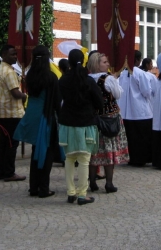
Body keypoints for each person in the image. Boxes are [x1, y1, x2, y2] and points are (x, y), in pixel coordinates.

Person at [14, 45, 62, 198]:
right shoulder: (51, 77)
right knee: (47, 152)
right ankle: (44, 188)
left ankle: (33, 186)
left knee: (35, 150)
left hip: (32, 114)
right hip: (46, 116)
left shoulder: (30, 75)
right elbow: (56, 101)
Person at [58, 49, 103, 205]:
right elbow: (99, 101)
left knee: (69, 158)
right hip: (86, 123)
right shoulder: (88, 80)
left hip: (67, 123)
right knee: (84, 159)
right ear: (83, 61)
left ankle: (71, 193)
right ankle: (82, 194)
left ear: (68, 62)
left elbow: (59, 102)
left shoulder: (62, 80)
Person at [88, 52, 129, 192]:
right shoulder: (108, 79)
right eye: (104, 62)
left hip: (93, 119)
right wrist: (115, 80)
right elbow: (118, 94)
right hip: (109, 118)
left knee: (93, 151)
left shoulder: (87, 78)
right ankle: (109, 183)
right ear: (97, 65)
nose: (107, 64)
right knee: (109, 151)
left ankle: (92, 182)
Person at [0, 44, 27, 182]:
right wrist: (25, 96)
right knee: (12, 144)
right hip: (12, 112)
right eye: (12, 54)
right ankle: (9, 172)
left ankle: (1, 171)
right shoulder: (9, 72)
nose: (15, 57)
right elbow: (15, 92)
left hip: (2, 112)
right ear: (4, 55)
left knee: (3, 142)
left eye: (16, 54)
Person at [118, 50, 153, 166]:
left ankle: (130, 157)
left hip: (126, 111)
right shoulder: (140, 73)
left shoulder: (121, 73)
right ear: (138, 60)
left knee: (130, 136)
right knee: (141, 137)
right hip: (140, 111)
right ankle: (141, 159)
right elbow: (146, 91)